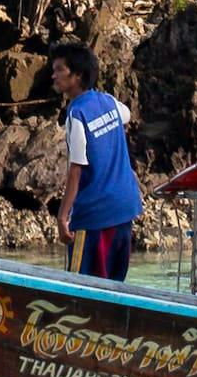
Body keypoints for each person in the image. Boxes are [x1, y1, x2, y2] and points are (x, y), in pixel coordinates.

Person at [51, 42, 143, 281]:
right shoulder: (109, 102)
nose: (54, 75)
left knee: (81, 287)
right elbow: (126, 115)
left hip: (95, 215)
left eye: (60, 69)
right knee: (113, 284)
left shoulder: (76, 114)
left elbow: (76, 170)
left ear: (77, 75)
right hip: (125, 208)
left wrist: (62, 217)